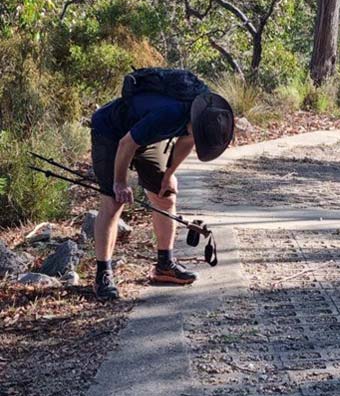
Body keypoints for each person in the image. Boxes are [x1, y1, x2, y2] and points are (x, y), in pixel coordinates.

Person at [90, 69, 234, 301]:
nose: (199, 141)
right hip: (112, 131)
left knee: (165, 195)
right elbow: (127, 143)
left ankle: (164, 265)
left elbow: (187, 139)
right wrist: (120, 182)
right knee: (114, 202)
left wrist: (169, 174)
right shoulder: (170, 114)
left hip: (146, 134)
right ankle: (102, 275)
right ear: (193, 122)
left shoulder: (204, 114)